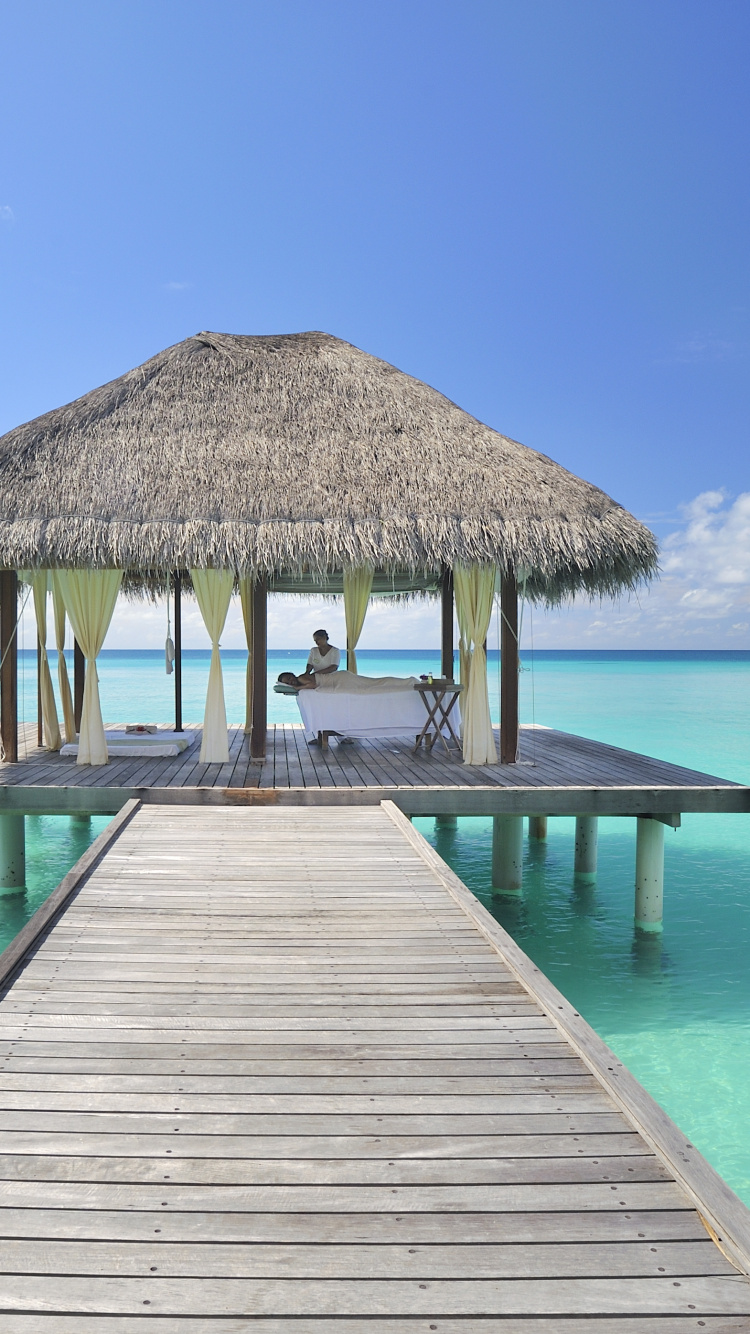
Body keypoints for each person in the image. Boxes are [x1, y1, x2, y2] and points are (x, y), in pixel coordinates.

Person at [278, 670, 418, 694]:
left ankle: (409, 682)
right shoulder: (302, 678)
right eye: (288, 682)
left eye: (289, 678)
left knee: (375, 683)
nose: (291, 682)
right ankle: (408, 682)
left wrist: (298, 689)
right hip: (341, 679)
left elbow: (313, 685)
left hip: (342, 680)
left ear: (292, 675)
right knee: (374, 683)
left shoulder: (302, 678)